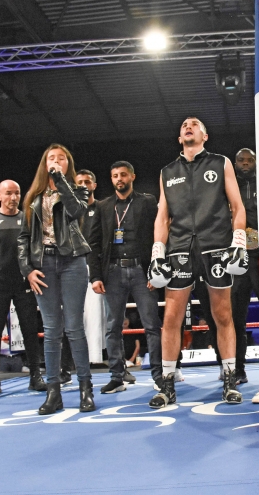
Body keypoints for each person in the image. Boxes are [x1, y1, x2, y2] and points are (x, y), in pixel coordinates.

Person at [147, 117, 247, 409]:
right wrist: (157, 252)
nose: (188, 126)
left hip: (215, 244)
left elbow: (237, 207)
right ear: (180, 138)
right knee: (171, 318)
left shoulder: (221, 162)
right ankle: (166, 384)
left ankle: (229, 378)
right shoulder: (168, 171)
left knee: (223, 314)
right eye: (183, 125)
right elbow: (162, 216)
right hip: (179, 247)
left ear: (205, 134)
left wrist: (238, 242)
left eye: (194, 124)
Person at [17, 144, 95, 415]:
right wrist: (27, 268)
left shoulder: (78, 189)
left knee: (74, 327)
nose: (56, 161)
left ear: (67, 164)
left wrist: (61, 180)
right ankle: (53, 393)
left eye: (62, 158)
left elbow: (76, 212)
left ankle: (86, 389)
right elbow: (24, 237)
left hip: (72, 260)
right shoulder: (33, 197)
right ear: (44, 162)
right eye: (52, 158)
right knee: (51, 330)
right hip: (44, 264)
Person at [87, 161, 160, 394]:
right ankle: (117, 376)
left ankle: (160, 376)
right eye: (115, 175)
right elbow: (94, 242)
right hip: (114, 271)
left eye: (124, 175)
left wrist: (156, 270)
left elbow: (159, 233)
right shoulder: (103, 206)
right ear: (111, 179)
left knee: (152, 325)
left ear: (132, 177)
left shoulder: (147, 202)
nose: (120, 179)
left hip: (142, 270)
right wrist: (95, 276)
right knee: (112, 327)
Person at [0, 180, 46, 396]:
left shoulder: (28, 219)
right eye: (8, 193)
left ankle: (35, 376)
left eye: (17, 193)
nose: (13, 198)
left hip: (24, 281)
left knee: (30, 329)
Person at [229, 148, 259, 385]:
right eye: (242, 160)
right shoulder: (227, 184)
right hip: (236, 256)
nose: (246, 164)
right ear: (235, 163)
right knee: (235, 318)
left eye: (250, 160)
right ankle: (237, 369)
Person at [75, 169, 106, 365]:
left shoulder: (103, 209)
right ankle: (71, 362)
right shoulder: (68, 211)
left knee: (97, 315)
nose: (84, 185)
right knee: (72, 316)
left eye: (88, 182)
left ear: (94, 185)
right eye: (80, 182)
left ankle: (95, 358)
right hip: (71, 267)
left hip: (96, 267)